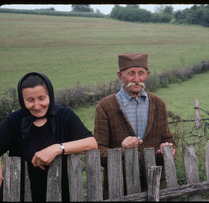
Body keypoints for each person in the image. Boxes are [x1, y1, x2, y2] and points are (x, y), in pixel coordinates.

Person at [0, 72, 98, 201]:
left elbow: (91, 143)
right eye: (30, 100)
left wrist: (57, 148)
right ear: (22, 100)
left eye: (41, 98)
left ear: (50, 95)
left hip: (61, 193)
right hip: (21, 194)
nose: (37, 105)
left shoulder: (65, 116)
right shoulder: (14, 121)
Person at [94, 53, 176, 198]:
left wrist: (167, 149)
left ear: (148, 74)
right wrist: (122, 150)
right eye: (131, 74)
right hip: (119, 188)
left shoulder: (158, 104)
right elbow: (98, 152)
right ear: (120, 75)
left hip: (156, 187)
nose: (137, 79)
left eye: (141, 73)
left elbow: (169, 140)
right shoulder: (105, 106)